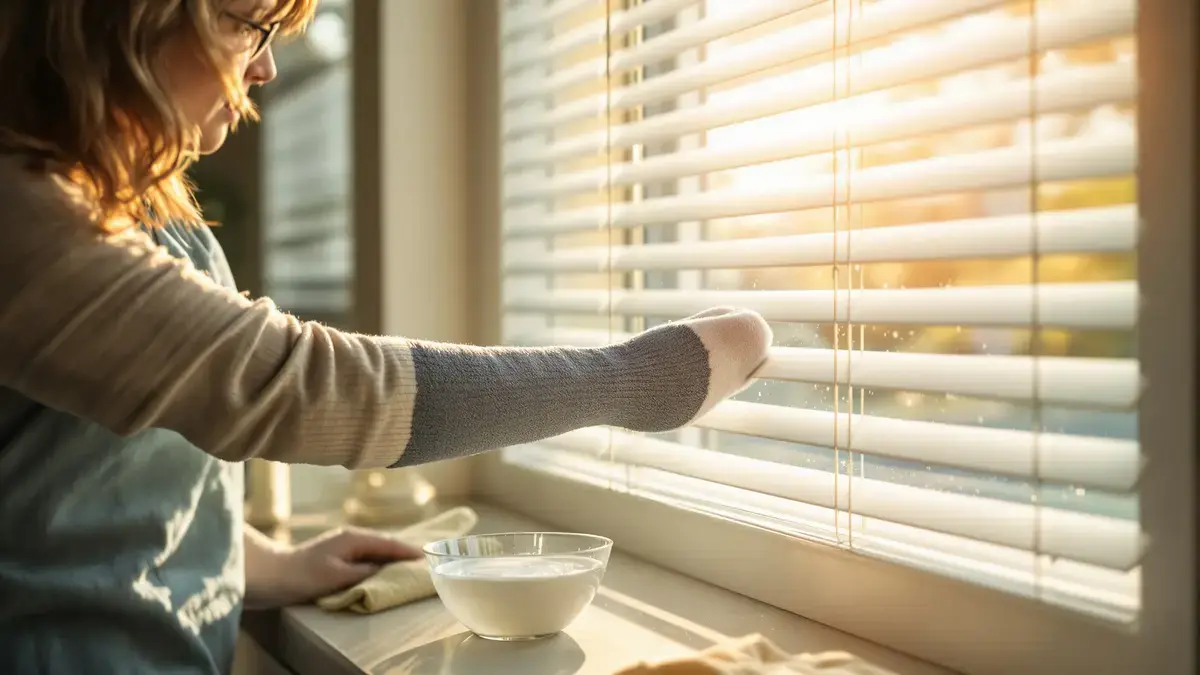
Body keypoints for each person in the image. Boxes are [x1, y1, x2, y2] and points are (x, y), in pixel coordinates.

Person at [0, 0, 772, 673]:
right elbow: (293, 385)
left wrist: (262, 564)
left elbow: (101, 473)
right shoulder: (19, 222)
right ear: (133, 17)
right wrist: (637, 380)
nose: (265, 67)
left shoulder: (144, 209)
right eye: (249, 26)